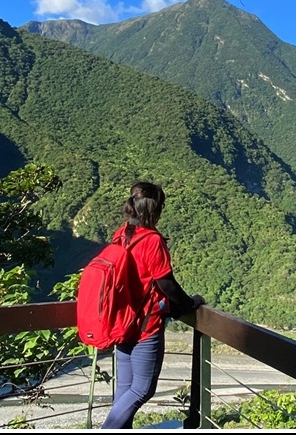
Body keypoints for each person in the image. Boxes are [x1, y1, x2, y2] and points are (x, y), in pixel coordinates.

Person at [101, 181, 205, 429]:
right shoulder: (152, 241)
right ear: (155, 209)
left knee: (125, 389)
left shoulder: (122, 234)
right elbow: (166, 283)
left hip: (121, 321)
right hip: (145, 325)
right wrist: (191, 303)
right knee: (142, 389)